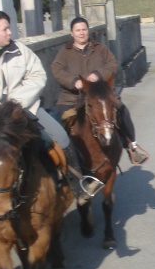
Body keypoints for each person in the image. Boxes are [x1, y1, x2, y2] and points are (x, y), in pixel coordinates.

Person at [0, 10, 93, 228]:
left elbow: (38, 76)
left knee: (60, 137)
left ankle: (78, 185)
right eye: (4, 28)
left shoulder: (20, 51)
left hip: (23, 111)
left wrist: (16, 102)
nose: (10, 32)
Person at [51, 16, 149, 165]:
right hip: (72, 98)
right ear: (72, 33)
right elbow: (57, 70)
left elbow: (112, 64)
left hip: (101, 96)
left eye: (84, 29)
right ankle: (63, 161)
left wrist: (98, 74)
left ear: (88, 31)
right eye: (78, 30)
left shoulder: (101, 49)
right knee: (59, 122)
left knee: (122, 111)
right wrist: (73, 81)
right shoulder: (64, 53)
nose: (81, 33)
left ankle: (132, 146)